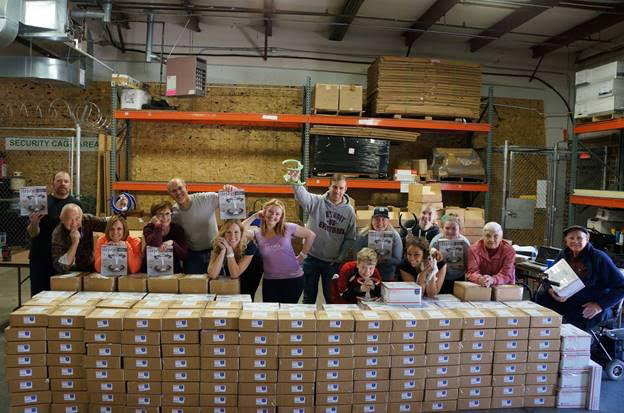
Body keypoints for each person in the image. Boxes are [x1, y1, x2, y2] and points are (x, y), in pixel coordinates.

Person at [536, 225, 624, 332]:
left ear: (587, 239)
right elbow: (547, 277)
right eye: (571, 238)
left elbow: (621, 287)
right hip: (568, 300)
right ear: (566, 241)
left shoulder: (599, 258)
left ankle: (576, 345)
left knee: (575, 324)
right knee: (542, 298)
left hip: (593, 304)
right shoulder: (564, 254)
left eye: (579, 238)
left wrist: (599, 306)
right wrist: (550, 290)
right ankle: (542, 336)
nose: (575, 241)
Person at [289, 171, 356, 304]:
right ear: (329, 187)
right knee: (309, 297)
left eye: (341, 188)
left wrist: (340, 257)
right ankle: (308, 324)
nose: (337, 191)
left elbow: (350, 238)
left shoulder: (349, 211)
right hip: (311, 258)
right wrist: (295, 182)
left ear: (345, 189)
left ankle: (330, 324)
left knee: (331, 297)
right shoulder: (317, 202)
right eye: (335, 187)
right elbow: (303, 197)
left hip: (332, 262)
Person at [244, 199, 316, 303]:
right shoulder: (257, 234)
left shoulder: (287, 228)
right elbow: (239, 229)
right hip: (270, 281)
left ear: (281, 217)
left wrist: (302, 255)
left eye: (277, 214)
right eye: (270, 212)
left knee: (286, 315)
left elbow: (310, 235)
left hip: (293, 279)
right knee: (271, 314)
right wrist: (254, 216)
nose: (273, 216)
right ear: (264, 212)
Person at [26, 171, 81, 295]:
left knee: (63, 297)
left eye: (66, 181)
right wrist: (34, 222)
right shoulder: (40, 204)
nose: (63, 184)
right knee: (39, 296)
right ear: (53, 183)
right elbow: (32, 233)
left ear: (70, 184)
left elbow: (79, 231)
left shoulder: (76, 205)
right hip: (41, 258)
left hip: (64, 259)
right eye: (59, 181)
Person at [167, 178, 238, 273]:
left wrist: (233, 190)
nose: (178, 193)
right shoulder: (174, 213)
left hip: (215, 251)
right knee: (193, 286)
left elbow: (234, 201)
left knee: (217, 285)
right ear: (170, 194)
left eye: (180, 188)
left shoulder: (206, 199)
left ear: (186, 187)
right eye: (174, 191)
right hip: (192, 256)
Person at [51, 204, 107, 273]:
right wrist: (75, 243)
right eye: (69, 219)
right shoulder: (58, 233)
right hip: (69, 272)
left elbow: (109, 224)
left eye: (77, 218)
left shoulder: (87, 220)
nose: (74, 224)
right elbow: (61, 267)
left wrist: (119, 210)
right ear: (62, 220)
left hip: (89, 267)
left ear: (82, 217)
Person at [352, 206, 402, 281]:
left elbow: (398, 260)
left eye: (384, 219)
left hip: (386, 274)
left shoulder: (395, 236)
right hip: (365, 274)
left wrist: (384, 260)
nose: (380, 222)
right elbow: (355, 257)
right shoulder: (363, 235)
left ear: (388, 221)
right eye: (377, 219)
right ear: (372, 220)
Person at [207, 220, 261, 285]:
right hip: (233, 266)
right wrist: (223, 251)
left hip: (251, 270)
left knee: (245, 289)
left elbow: (235, 274)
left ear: (241, 233)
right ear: (223, 234)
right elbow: (212, 275)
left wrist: (229, 251)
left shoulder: (250, 245)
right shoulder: (218, 244)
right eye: (228, 232)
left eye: (236, 232)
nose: (232, 236)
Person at [142, 201, 188, 274]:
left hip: (173, 271)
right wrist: (158, 226)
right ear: (154, 217)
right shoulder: (148, 228)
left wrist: (172, 243)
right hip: (151, 271)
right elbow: (155, 244)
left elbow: (184, 255)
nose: (165, 217)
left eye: (167, 213)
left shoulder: (177, 229)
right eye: (161, 214)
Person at [466, 221, 515, 287]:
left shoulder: (509, 251)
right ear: (483, 236)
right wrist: (480, 279)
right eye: (488, 236)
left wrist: (493, 280)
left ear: (501, 237)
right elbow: (472, 272)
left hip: (503, 287)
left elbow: (506, 274)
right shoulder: (473, 249)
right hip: (481, 286)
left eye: (496, 236)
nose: (491, 240)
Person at [430, 214, 470, 284]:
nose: (450, 231)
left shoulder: (465, 243)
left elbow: (470, 262)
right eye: (447, 228)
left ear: (459, 229)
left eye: (454, 228)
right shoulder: (436, 241)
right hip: (440, 276)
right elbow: (430, 256)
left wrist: (464, 265)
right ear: (442, 228)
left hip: (459, 276)